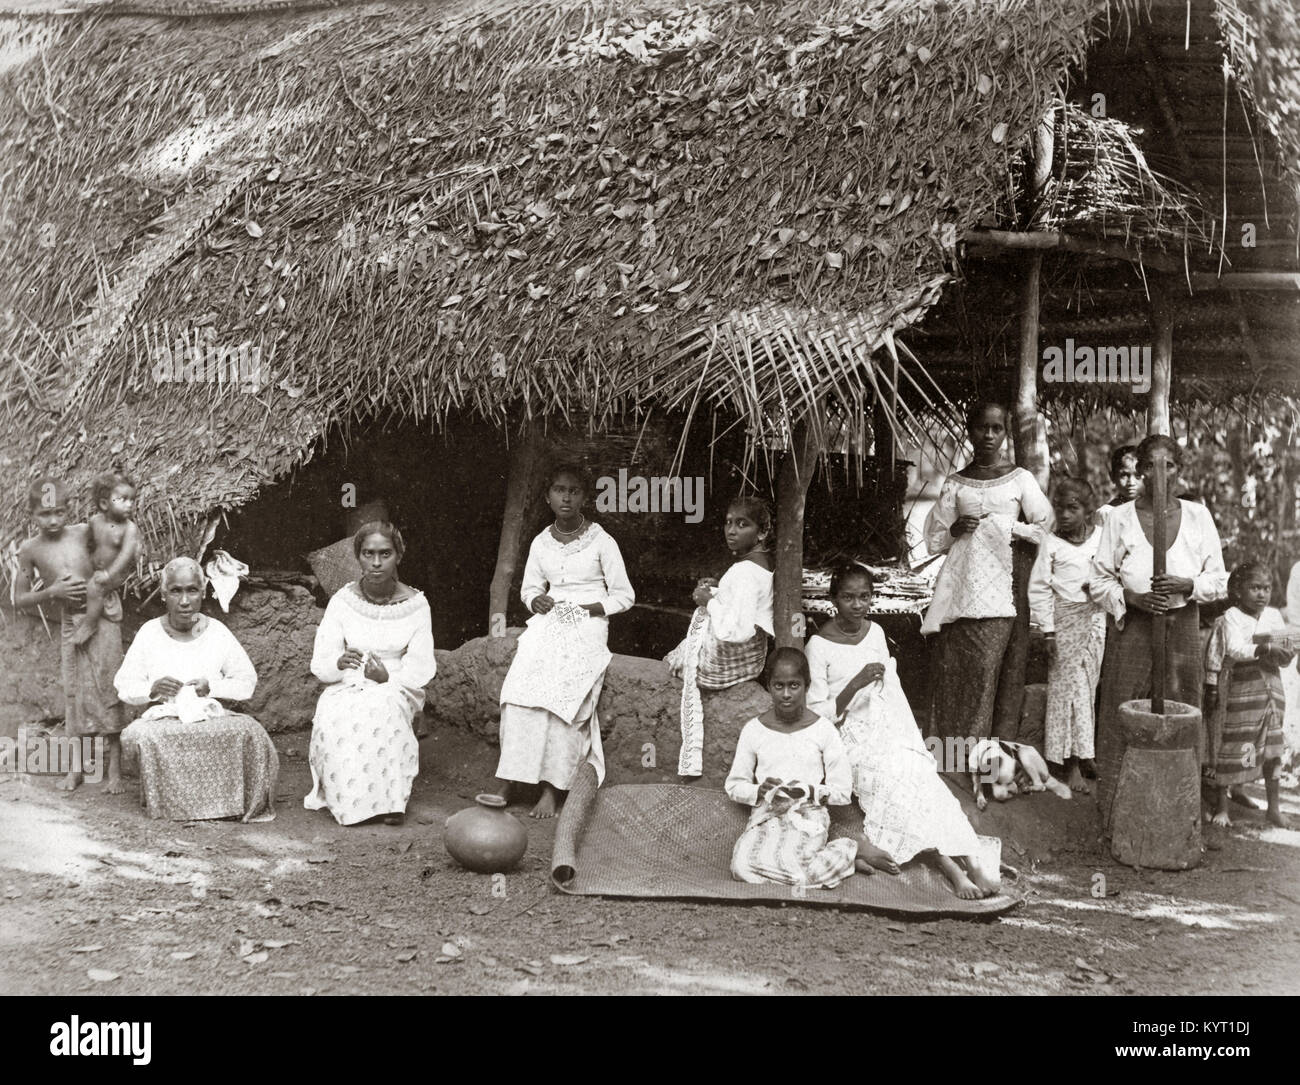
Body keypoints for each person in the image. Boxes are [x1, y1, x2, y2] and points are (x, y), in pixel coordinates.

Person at [807, 566, 1000, 900]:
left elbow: (889, 690)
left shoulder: (877, 633)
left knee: (921, 773)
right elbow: (816, 713)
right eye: (848, 597)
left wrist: (904, 733)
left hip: (886, 725)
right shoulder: (819, 645)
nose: (857, 605)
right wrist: (855, 684)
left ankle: (972, 859)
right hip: (849, 734)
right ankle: (950, 868)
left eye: (864, 597)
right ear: (833, 599)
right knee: (895, 780)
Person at [1090, 434, 1228, 829]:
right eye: (1150, 465)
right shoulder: (1118, 518)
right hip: (1133, 625)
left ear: (1179, 470)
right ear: (1142, 470)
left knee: (1184, 704)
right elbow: (1099, 580)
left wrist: (1188, 585)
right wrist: (1131, 598)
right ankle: (1114, 809)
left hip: (1181, 622)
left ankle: (1183, 808)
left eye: (1169, 465)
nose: (1159, 473)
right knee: (1121, 702)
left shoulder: (1198, 515)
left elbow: (1219, 579)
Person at [496, 464, 634, 818]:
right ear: (548, 497)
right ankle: (510, 777)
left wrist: (590, 608)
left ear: (585, 497)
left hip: (587, 619)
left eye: (574, 491)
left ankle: (551, 789)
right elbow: (529, 588)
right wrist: (534, 601)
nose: (566, 497)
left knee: (564, 695)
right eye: (559, 490)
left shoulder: (602, 542)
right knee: (520, 689)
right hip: (552, 616)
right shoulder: (541, 542)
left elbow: (624, 596)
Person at [922, 400, 1053, 746]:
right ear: (971, 431)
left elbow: (1045, 528)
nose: (989, 435)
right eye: (982, 427)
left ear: (1006, 432)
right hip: (965, 585)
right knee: (960, 667)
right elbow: (934, 539)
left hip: (1010, 581)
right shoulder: (956, 483)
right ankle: (954, 750)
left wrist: (1007, 526)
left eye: (997, 428)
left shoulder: (1020, 479)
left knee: (1000, 666)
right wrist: (955, 530)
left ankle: (995, 752)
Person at [115, 557, 279, 821]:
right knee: (140, 736)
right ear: (163, 595)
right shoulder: (149, 632)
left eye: (192, 590)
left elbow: (246, 682)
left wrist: (211, 687)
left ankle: (226, 805)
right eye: (175, 591)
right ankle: (176, 805)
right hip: (165, 721)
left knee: (252, 733)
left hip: (209, 717)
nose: (184, 601)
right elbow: (124, 686)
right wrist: (153, 689)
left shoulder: (218, 632)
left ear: (203, 592)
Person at [306, 521, 435, 826]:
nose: (376, 563)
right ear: (359, 557)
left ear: (398, 556)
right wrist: (339, 662)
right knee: (336, 712)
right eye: (368, 554)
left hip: (399, 683)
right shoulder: (342, 601)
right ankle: (349, 800)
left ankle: (390, 800)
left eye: (385, 554)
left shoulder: (416, 605)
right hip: (348, 680)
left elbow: (421, 666)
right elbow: (322, 660)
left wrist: (388, 679)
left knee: (381, 708)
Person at [14, 477, 124, 792]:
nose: (53, 520)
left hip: (103, 616)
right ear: (31, 514)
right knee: (73, 691)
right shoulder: (29, 550)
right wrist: (52, 590)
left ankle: (114, 769)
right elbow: (19, 599)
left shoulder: (84, 533)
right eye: (44, 515)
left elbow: (118, 560)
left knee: (109, 685)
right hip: (70, 620)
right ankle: (76, 768)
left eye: (59, 513)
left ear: (68, 509)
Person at [725, 648, 858, 889]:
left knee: (798, 868)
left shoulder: (823, 730)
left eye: (794, 686)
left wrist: (808, 791)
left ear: (807, 686)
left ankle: (848, 850)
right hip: (768, 814)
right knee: (741, 868)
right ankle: (818, 869)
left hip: (808, 815)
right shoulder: (754, 729)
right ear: (769, 686)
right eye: (779, 686)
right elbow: (734, 786)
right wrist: (759, 791)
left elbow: (842, 792)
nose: (786, 694)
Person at [665, 495, 774, 777]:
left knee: (677, 656)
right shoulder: (761, 565)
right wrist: (717, 591)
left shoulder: (745, 572)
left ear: (762, 532)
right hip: (751, 659)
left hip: (724, 663)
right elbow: (742, 606)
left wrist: (707, 601)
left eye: (742, 524)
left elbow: (734, 631)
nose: (732, 530)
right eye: (728, 523)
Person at [1028, 478, 1105, 792]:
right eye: (1059, 507)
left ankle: (1085, 754)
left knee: (1087, 687)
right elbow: (1040, 588)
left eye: (1073, 507)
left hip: (1096, 619)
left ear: (1087, 510)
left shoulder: (1101, 538)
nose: (1065, 514)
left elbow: (1112, 573)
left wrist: (1098, 587)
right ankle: (1069, 764)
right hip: (1063, 623)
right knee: (1070, 694)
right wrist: (1047, 631)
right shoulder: (1051, 542)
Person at [1204, 562, 1292, 829]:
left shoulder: (1274, 616)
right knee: (1234, 743)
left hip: (1271, 688)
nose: (1261, 594)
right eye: (1254, 588)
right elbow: (1234, 649)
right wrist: (1265, 647)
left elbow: (1284, 650)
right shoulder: (1230, 616)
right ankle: (1222, 805)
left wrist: (1287, 651)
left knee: (1273, 746)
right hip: (1241, 688)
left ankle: (1273, 808)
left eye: (1266, 588)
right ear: (1238, 590)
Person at [78, 472, 139, 646]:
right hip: (97, 569)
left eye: (132, 500)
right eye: (123, 500)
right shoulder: (95, 521)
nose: (130, 505)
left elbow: (125, 556)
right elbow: (87, 543)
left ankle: (89, 624)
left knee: (95, 587)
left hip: (114, 574)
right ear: (104, 504)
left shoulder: (129, 529)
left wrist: (108, 574)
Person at [1095, 444, 1142, 528]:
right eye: (1124, 475)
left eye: (1137, 475)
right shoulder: (1107, 512)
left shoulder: (1155, 510)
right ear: (1112, 477)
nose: (1131, 482)